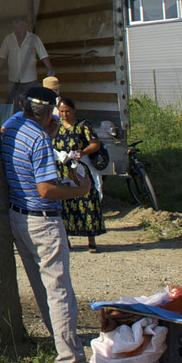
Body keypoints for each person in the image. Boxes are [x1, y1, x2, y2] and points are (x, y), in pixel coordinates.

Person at [1, 85, 89, 363]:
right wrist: (80, 190)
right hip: (44, 220)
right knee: (60, 291)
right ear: (50, 112)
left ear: (23, 104)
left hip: (18, 216)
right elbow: (46, 189)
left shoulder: (13, 123)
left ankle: (59, 342)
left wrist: (47, 137)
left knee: (42, 288)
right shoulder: (39, 138)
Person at [52, 95, 106, 253]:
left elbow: (95, 143)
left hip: (80, 168)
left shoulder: (83, 126)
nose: (64, 114)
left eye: (67, 111)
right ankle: (66, 239)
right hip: (62, 169)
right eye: (61, 111)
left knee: (87, 202)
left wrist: (82, 152)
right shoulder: (56, 126)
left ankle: (91, 240)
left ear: (73, 110)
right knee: (65, 204)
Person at [0, 17, 53, 122]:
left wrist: (50, 69)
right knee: (16, 105)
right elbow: (1, 56)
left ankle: (32, 124)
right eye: (15, 28)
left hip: (30, 79)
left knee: (32, 103)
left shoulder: (34, 38)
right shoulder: (8, 39)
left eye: (20, 28)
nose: (17, 30)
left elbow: (43, 55)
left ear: (25, 26)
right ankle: (18, 124)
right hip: (13, 79)